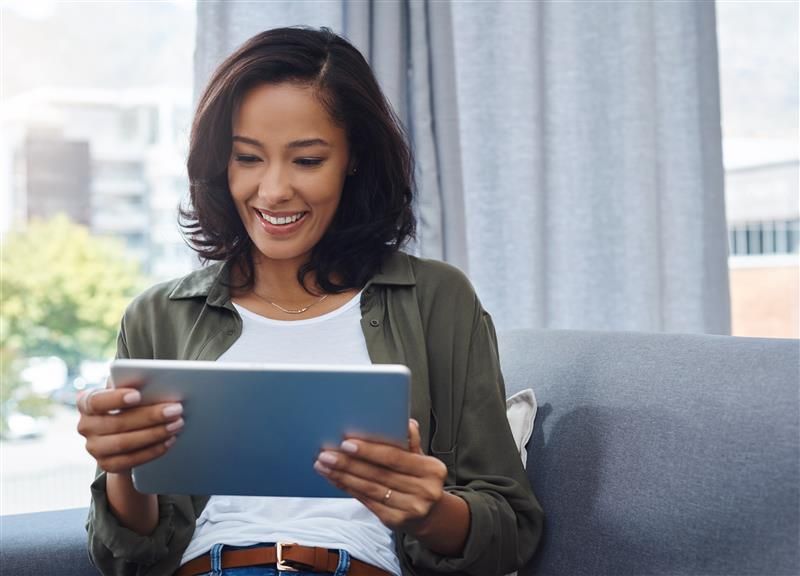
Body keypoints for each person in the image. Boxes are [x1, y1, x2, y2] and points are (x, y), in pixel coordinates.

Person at [78, 26, 543, 576]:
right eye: (247, 158)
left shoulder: (436, 301)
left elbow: (510, 532)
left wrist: (428, 510)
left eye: (306, 160)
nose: (272, 191)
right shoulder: (160, 317)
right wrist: (123, 470)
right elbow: (126, 560)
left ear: (353, 159)